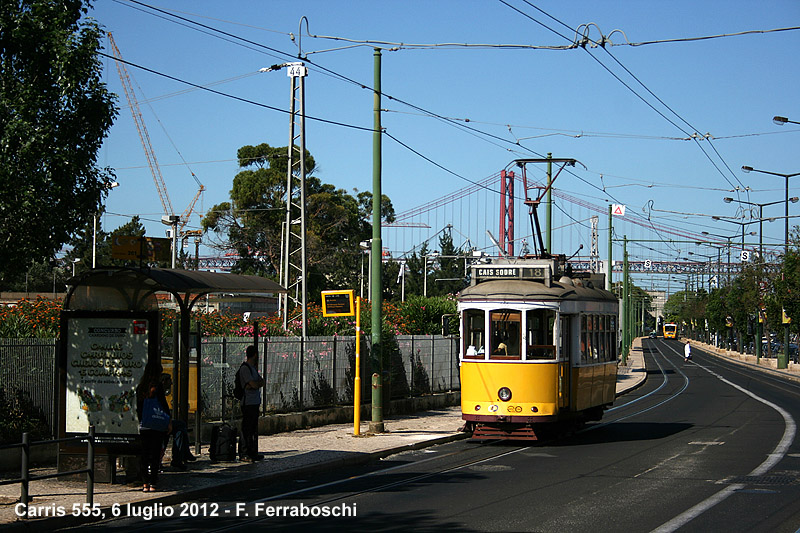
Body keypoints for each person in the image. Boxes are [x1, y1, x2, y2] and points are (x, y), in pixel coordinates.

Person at [136, 361, 171, 492]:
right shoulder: (158, 387)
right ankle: (153, 483)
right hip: (157, 424)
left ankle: (145, 483)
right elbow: (164, 406)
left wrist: (142, 420)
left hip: (145, 425)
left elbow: (138, 408)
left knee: (145, 454)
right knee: (155, 455)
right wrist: (168, 421)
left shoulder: (140, 388)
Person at [159, 373, 196, 470]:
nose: (171, 383)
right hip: (159, 422)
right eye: (169, 381)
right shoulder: (158, 393)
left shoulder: (160, 392)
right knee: (181, 426)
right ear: (163, 382)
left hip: (163, 421)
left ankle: (179, 458)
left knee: (180, 431)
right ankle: (182, 455)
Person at [237, 345, 265, 462]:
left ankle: (252, 451)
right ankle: (244, 452)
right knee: (246, 428)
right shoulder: (245, 368)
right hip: (247, 402)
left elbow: (261, 382)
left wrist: (254, 384)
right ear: (255, 355)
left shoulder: (253, 368)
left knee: (253, 428)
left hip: (255, 402)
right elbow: (252, 384)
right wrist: (254, 384)